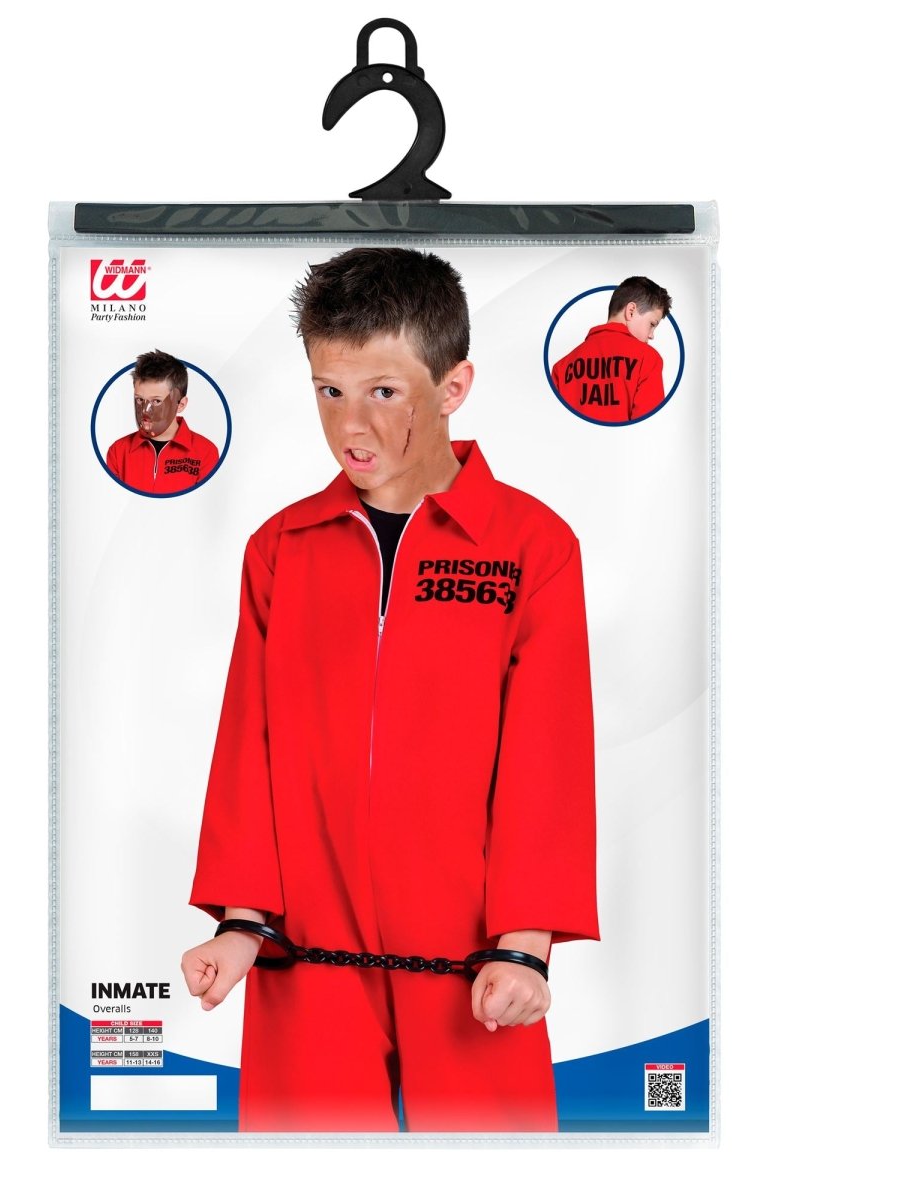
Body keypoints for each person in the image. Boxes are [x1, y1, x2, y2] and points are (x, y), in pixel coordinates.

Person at [181, 248, 597, 1133]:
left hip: (475, 964)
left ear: (453, 388)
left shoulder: (532, 548)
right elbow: (249, 744)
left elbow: (548, 757)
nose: (350, 424)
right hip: (305, 957)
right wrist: (241, 925)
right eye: (329, 391)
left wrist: (526, 949)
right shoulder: (281, 550)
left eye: (382, 391)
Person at [550, 276, 672, 423]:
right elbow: (648, 426)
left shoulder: (561, 367)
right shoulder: (648, 359)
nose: (651, 335)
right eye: (652, 324)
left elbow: (553, 425)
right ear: (631, 311)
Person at [105, 349, 220, 493]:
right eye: (139, 399)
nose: (145, 411)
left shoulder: (206, 452)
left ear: (180, 405)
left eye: (156, 401)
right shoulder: (118, 452)